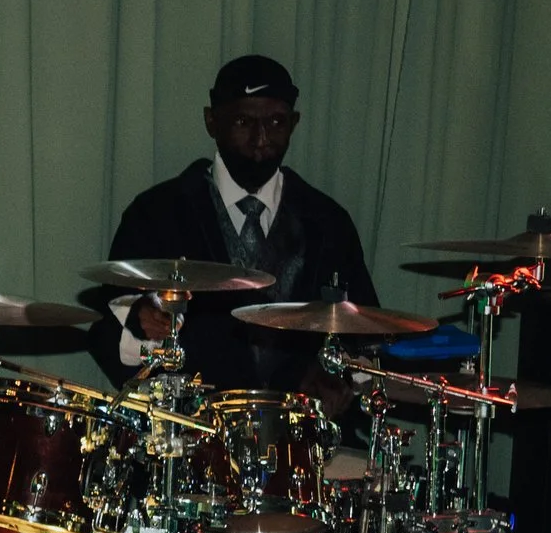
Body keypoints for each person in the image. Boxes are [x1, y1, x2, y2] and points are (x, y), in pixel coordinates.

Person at [88, 54, 377, 395]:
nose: (260, 139)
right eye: (243, 122)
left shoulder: (328, 223)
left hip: (299, 439)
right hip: (191, 436)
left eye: (276, 123)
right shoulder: (157, 214)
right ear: (212, 122)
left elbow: (366, 337)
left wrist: (339, 379)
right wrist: (139, 321)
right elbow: (108, 333)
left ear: (294, 123)